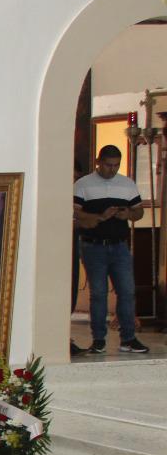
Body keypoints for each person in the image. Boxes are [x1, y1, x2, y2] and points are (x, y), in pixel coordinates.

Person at [75, 144, 149, 354]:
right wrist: (99, 217)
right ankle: (99, 339)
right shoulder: (83, 184)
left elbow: (138, 212)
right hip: (94, 246)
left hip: (120, 246)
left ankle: (128, 338)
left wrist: (129, 215)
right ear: (99, 162)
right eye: (108, 165)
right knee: (98, 294)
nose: (112, 170)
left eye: (116, 165)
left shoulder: (127, 184)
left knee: (126, 291)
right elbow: (75, 213)